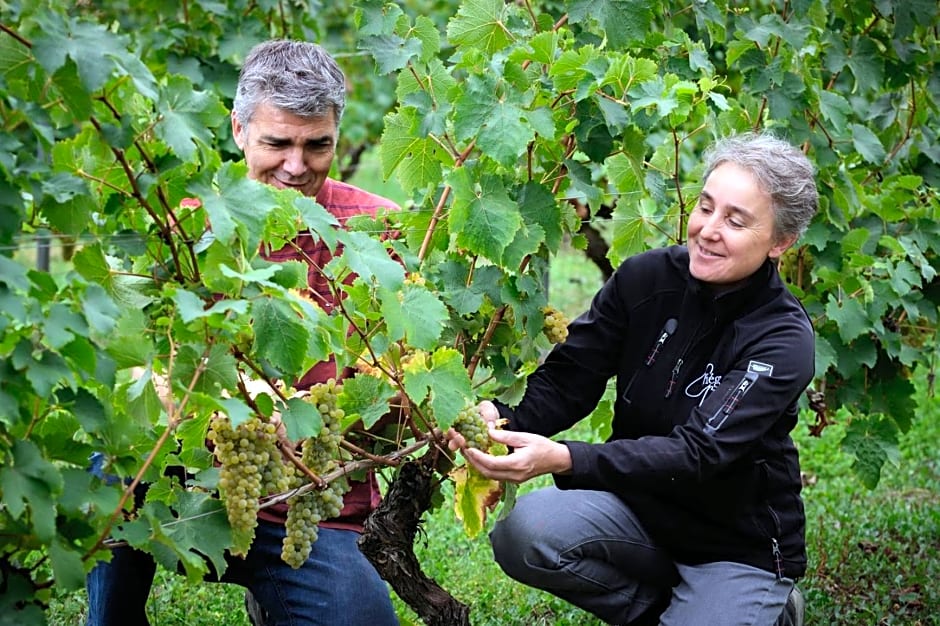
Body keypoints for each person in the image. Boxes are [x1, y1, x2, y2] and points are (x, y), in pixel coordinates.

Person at [86, 40, 400, 626]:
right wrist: (213, 403)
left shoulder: (380, 232)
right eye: (277, 142)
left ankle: (277, 592)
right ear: (238, 129)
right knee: (115, 462)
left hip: (310, 502)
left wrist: (324, 413)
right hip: (186, 488)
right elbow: (130, 364)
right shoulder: (180, 225)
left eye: (317, 145)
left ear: (337, 132)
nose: (296, 166)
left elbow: (402, 378)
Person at [450, 132, 816, 626]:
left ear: (781, 242)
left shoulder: (781, 339)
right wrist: (501, 414)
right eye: (706, 207)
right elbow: (570, 377)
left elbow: (698, 453)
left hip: (733, 545)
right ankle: (672, 613)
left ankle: (767, 610)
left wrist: (564, 458)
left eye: (735, 220)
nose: (708, 229)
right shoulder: (645, 279)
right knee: (525, 534)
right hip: (640, 512)